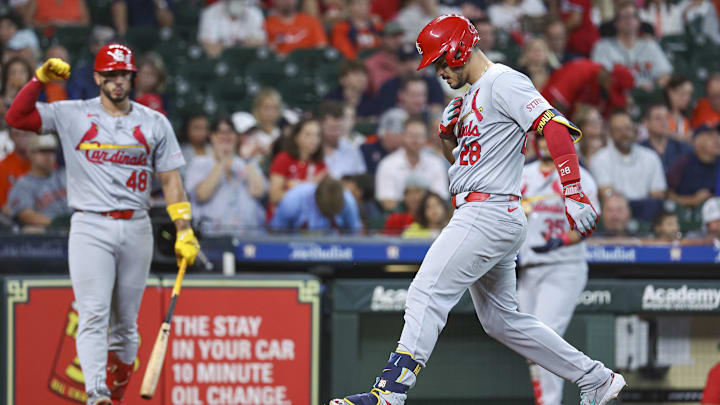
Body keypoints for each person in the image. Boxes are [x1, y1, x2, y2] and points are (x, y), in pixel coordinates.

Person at [331, 14, 625, 405]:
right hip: (487, 210)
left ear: (457, 50)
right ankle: (596, 378)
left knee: (425, 292)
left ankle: (389, 394)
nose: (437, 71)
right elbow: (465, 163)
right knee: (502, 321)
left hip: (486, 211)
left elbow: (554, 126)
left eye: (439, 61)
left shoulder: (504, 81)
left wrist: (572, 189)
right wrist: (445, 139)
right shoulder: (469, 95)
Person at [4, 45, 199, 405]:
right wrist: (38, 80)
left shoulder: (154, 121)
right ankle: (97, 394)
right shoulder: (72, 113)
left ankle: (117, 393)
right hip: (90, 225)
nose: (116, 81)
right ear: (97, 78)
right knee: (92, 313)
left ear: (132, 77)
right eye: (109, 75)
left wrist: (184, 228)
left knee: (125, 328)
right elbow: (17, 117)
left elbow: (171, 181)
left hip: (137, 225)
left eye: (122, 74)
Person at [517, 135, 600, 405]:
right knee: (530, 345)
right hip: (528, 269)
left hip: (563, 265)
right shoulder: (522, 174)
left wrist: (560, 241)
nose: (544, 143)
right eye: (539, 137)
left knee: (544, 335)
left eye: (549, 139)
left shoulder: (580, 178)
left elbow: (588, 224)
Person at [185, 117, 266, 235]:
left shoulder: (246, 162)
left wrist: (245, 160)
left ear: (236, 137)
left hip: (249, 235)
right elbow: (202, 195)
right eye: (220, 132)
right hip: (213, 235)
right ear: (212, 136)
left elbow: (258, 192)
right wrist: (222, 161)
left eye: (230, 132)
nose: (226, 136)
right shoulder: (199, 163)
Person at [591, 0, 672, 90]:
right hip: (617, 96)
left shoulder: (650, 46)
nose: (629, 20)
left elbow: (665, 75)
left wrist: (654, 90)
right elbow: (601, 77)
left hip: (649, 96)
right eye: (624, 17)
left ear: (639, 22)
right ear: (616, 23)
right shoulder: (603, 46)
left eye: (633, 16)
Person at [374, 117, 448, 212]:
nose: (415, 140)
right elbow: (386, 199)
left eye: (419, 136)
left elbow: (440, 197)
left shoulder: (436, 163)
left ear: (426, 139)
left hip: (429, 218)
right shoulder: (387, 164)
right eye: (411, 136)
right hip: (398, 217)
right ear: (402, 136)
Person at [589, 111, 667, 200]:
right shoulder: (599, 159)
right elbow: (605, 193)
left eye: (627, 128)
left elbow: (658, 193)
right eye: (618, 130)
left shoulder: (651, 157)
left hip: (647, 210)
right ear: (610, 133)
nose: (624, 134)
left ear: (634, 131)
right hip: (615, 210)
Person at [5, 134, 70, 229]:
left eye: (52, 151)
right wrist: (58, 225)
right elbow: (26, 216)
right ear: (30, 154)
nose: (48, 156)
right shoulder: (22, 184)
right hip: (46, 235)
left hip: (74, 230)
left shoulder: (65, 176)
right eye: (42, 151)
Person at [541, 59, 634, 118]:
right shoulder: (581, 70)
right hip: (542, 115)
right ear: (610, 78)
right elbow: (556, 106)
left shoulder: (602, 86)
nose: (610, 94)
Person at [268, 117, 326, 209]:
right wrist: (309, 186)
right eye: (308, 134)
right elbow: (274, 197)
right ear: (296, 137)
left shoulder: (321, 164)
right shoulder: (283, 159)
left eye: (317, 135)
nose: (314, 139)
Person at [270, 176, 362, 233]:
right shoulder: (292, 200)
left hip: (336, 251)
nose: (328, 216)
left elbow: (354, 233)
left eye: (332, 214)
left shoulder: (348, 202)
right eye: (326, 213)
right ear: (315, 198)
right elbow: (275, 232)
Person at [667, 124, 720, 207]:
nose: (717, 139)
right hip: (686, 216)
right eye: (710, 136)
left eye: (718, 135)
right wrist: (691, 200)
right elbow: (667, 195)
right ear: (697, 142)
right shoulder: (683, 163)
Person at [198, 0, 266, 58]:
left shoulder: (255, 13)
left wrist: (224, 46)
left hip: (247, 60)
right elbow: (208, 45)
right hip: (221, 60)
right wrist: (243, 44)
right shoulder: (210, 12)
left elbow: (259, 42)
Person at [639, 103, 692, 171]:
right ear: (646, 123)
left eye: (666, 118)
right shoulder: (640, 150)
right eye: (658, 118)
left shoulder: (683, 149)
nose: (664, 122)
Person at [321, 101, 367, 178]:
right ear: (320, 124)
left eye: (339, 128)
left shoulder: (352, 149)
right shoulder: (311, 149)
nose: (336, 133)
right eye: (331, 128)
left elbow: (361, 179)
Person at [237, 88, 284, 160]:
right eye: (266, 107)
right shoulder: (249, 134)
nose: (270, 113)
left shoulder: (283, 134)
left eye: (274, 108)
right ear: (257, 109)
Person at [361, 106, 406, 174]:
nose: (403, 138)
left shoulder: (406, 152)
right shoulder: (366, 150)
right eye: (400, 133)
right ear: (385, 132)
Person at [364, 21, 405, 93]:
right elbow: (377, 88)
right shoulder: (372, 62)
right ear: (382, 38)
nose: (398, 40)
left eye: (400, 36)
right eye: (393, 36)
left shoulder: (408, 59)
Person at [0, 128, 32, 209]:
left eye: (26, 134)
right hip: (18, 217)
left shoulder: (42, 160)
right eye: (17, 134)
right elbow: (3, 205)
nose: (22, 137)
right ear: (11, 137)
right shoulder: (3, 166)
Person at [664, 75, 694, 140]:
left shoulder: (686, 119)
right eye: (683, 93)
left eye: (689, 94)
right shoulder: (659, 113)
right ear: (671, 92)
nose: (687, 98)